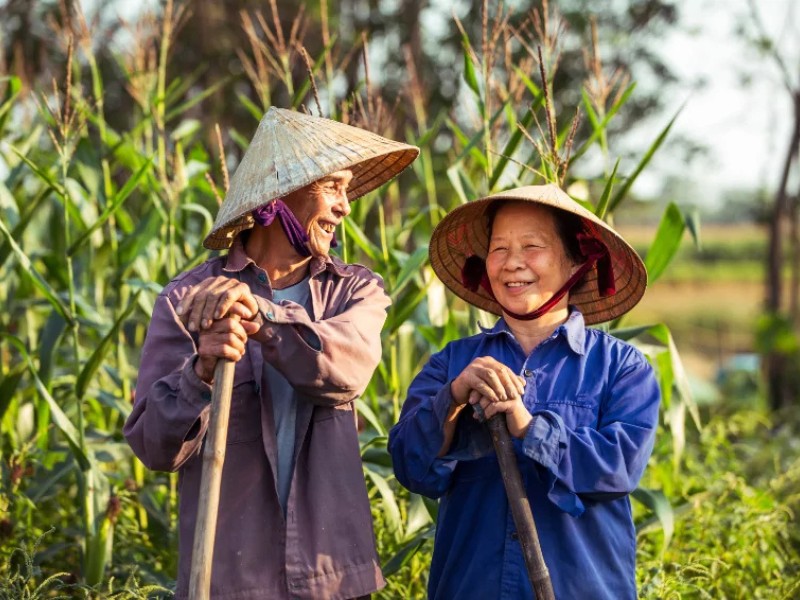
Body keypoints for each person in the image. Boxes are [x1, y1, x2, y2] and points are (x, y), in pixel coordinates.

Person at [124, 107, 418, 600]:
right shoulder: (188, 301)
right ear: (276, 197)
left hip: (332, 579)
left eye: (347, 189)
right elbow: (154, 446)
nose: (345, 207)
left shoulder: (356, 291)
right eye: (332, 187)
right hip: (228, 580)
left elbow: (344, 373)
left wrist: (261, 318)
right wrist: (201, 371)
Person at [388, 184, 660, 599]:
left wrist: (528, 427)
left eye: (532, 246)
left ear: (576, 262)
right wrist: (454, 398)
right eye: (499, 249)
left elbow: (618, 467)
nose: (512, 263)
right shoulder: (451, 364)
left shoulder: (621, 367)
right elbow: (410, 466)